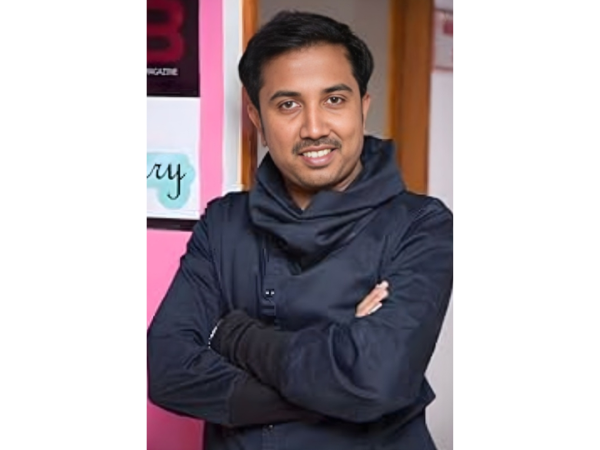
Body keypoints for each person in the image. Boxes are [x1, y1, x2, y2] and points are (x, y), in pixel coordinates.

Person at [147, 10, 453, 450]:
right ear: (257, 118)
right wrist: (343, 374)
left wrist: (235, 336)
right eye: (288, 105)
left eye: (334, 100)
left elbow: (375, 380)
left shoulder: (420, 225)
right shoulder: (223, 224)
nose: (314, 128)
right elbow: (168, 370)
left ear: (363, 106)